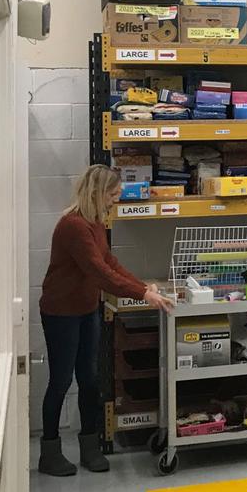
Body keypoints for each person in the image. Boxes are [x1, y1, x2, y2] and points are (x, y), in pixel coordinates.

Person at [38, 164, 172, 476]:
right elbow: (98, 272)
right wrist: (143, 294)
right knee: (60, 381)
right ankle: (49, 450)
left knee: (90, 379)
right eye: (113, 195)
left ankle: (89, 446)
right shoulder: (73, 226)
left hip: (86, 309)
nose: (115, 201)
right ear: (98, 194)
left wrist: (142, 286)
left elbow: (109, 261)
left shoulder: (95, 223)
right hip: (61, 313)